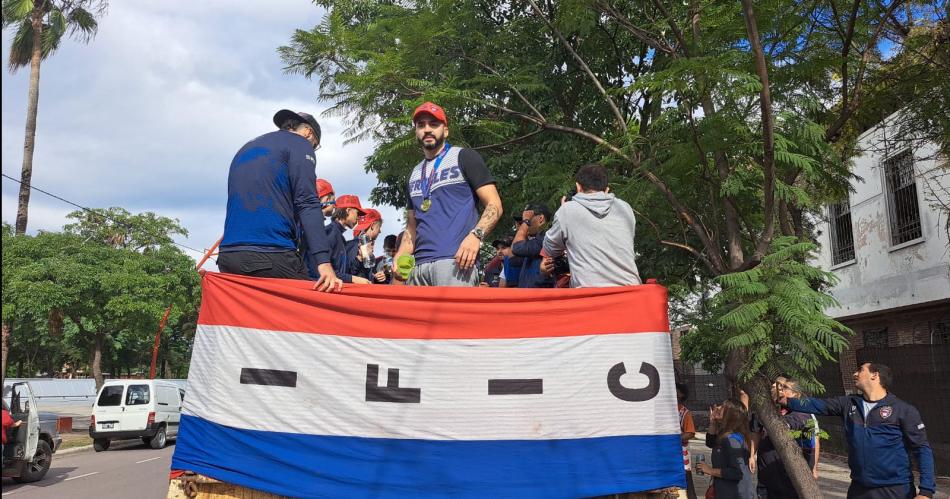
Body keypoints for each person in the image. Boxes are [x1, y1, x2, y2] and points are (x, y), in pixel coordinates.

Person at [218, 109, 341, 292]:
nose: (313, 150)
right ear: (308, 132)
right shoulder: (300, 144)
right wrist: (323, 262)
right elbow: (307, 202)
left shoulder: (247, 147)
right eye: (315, 145)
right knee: (314, 312)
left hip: (228, 256)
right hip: (270, 253)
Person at [783, 363, 935, 499]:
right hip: (859, 488)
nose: (855, 374)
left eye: (860, 370)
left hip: (894, 489)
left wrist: (926, 491)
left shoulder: (903, 410)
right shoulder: (848, 404)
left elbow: (922, 449)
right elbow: (817, 405)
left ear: (875, 375)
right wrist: (786, 400)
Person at [393, 101, 503, 286]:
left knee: (456, 317)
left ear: (445, 131)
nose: (427, 129)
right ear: (416, 132)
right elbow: (412, 226)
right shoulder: (414, 174)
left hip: (456, 263)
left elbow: (495, 206)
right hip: (417, 268)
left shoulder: (464, 157)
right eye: (421, 125)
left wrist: (476, 236)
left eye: (434, 124)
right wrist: (401, 254)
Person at [542, 163, 642, 287]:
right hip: (630, 292)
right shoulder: (625, 208)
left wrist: (564, 215)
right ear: (606, 190)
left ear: (578, 187)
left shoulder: (567, 211)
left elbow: (550, 249)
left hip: (590, 296)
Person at [755, 377, 821, 499]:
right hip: (766, 477)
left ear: (797, 394)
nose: (781, 390)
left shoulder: (802, 414)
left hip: (787, 481)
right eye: (778, 387)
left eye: (785, 387)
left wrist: (813, 468)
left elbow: (813, 443)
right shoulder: (772, 411)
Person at [698, 399, 755, 499]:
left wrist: (710, 471)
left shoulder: (732, 440)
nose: (718, 408)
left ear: (731, 414)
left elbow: (738, 472)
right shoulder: (725, 434)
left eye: (722, 407)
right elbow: (710, 442)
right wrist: (712, 423)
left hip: (736, 494)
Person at [326, 195, 372, 284]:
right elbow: (324, 270)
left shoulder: (339, 236)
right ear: (348, 211)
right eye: (357, 213)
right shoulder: (331, 232)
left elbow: (343, 272)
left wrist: (359, 258)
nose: (358, 218)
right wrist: (353, 279)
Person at [511, 203, 554, 288]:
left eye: (528, 219)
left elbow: (517, 248)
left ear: (541, 218)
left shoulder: (546, 237)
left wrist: (525, 222)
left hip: (541, 296)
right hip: (531, 295)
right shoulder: (534, 240)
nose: (523, 224)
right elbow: (513, 260)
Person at [347, 209, 386, 283]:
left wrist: (375, 278)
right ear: (372, 226)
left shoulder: (352, 245)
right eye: (379, 227)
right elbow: (348, 274)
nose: (380, 231)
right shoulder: (358, 247)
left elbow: (363, 275)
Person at [676, 383, 698, 499]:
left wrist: (672, 441)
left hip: (681, 453)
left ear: (681, 395)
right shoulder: (664, 411)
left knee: (685, 480)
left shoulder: (685, 413)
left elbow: (690, 433)